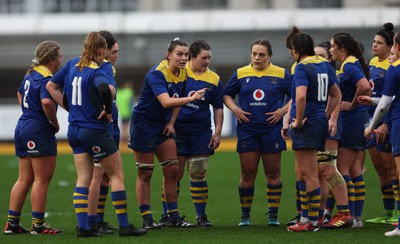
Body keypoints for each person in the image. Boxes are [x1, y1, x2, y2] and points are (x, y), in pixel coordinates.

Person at [46, 32, 147, 237]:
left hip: (74, 130)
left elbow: (51, 85)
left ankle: (84, 227)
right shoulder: (97, 69)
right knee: (117, 175)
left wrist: (70, 108)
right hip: (94, 129)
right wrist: (108, 110)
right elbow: (104, 89)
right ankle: (125, 226)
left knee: (83, 179)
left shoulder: (73, 64)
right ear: (101, 51)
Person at [128, 38, 206, 229]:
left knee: (172, 171)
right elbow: (166, 101)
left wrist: (171, 122)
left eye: (186, 54)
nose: (183, 58)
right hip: (144, 125)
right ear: (169, 54)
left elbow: (177, 99)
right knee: (145, 173)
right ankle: (147, 218)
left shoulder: (183, 72)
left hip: (162, 126)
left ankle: (173, 217)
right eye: (179, 54)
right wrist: (192, 98)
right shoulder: (158, 74)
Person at [224, 39, 291, 226]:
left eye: (261, 54)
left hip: (271, 129)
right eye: (254, 53)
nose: (257, 58)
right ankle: (245, 217)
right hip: (248, 130)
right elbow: (226, 94)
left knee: (273, 173)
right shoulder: (240, 73)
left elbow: (297, 95)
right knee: (247, 173)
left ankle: (273, 217)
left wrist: (283, 111)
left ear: (269, 56)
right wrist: (235, 109)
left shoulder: (281, 74)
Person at [283, 31, 341, 232]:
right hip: (318, 122)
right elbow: (336, 94)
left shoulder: (301, 67)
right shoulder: (325, 64)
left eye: (291, 51)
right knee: (308, 172)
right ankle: (307, 219)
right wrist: (324, 115)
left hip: (307, 124)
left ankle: (310, 223)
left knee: (309, 174)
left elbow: (300, 97)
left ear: (296, 51)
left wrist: (297, 121)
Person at [4, 41, 63, 235]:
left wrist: (29, 112)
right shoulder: (46, 77)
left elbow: (20, 93)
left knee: (24, 179)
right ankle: (38, 225)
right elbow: (47, 101)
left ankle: (12, 224)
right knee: (41, 180)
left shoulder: (31, 72)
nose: (62, 59)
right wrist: (53, 123)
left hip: (23, 126)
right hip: (38, 129)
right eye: (60, 56)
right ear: (52, 59)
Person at [162, 40, 223, 227]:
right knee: (174, 174)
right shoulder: (180, 74)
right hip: (178, 132)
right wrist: (170, 123)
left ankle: (201, 217)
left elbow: (218, 107)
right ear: (192, 57)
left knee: (198, 173)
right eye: (203, 58)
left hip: (201, 133)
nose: (207, 61)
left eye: (209, 58)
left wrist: (218, 132)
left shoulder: (214, 79)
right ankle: (169, 215)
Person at [330, 32, 372, 227]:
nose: (330, 50)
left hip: (353, 119)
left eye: (332, 47)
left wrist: (352, 104)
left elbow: (363, 86)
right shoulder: (354, 62)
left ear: (342, 49)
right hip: (359, 119)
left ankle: (349, 216)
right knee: (355, 169)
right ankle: (357, 218)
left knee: (342, 168)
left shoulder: (348, 64)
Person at [312, 42, 352, 229]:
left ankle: (344, 213)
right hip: (318, 125)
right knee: (319, 172)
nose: (317, 58)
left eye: (321, 55)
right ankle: (319, 216)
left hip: (328, 125)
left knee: (327, 170)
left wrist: (332, 119)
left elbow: (337, 97)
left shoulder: (330, 73)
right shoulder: (315, 72)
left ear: (329, 59)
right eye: (314, 55)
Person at [364, 31, 400, 237]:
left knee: (393, 171)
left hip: (388, 122)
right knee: (382, 169)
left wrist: (381, 124)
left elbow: (388, 100)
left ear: (392, 46)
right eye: (373, 41)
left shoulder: (393, 67)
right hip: (378, 119)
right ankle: (389, 213)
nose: (375, 45)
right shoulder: (373, 63)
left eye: (380, 43)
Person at [87, 30, 121, 234]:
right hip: (104, 128)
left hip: (99, 127)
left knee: (101, 177)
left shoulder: (84, 67)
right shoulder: (105, 68)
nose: (117, 55)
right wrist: (108, 108)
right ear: (103, 51)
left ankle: (94, 219)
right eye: (114, 51)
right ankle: (92, 220)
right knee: (99, 176)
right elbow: (108, 90)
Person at [116, 79, 135, 143]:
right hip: (127, 112)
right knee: (126, 127)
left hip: (120, 112)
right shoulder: (129, 92)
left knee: (123, 127)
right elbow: (130, 103)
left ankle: (122, 140)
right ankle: (125, 141)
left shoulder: (119, 92)